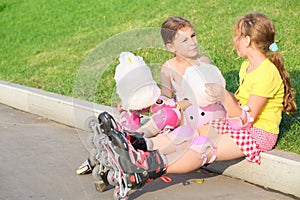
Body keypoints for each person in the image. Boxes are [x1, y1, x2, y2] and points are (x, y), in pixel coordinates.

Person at [102, 12, 297, 191]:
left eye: (237, 36)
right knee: (190, 132)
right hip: (237, 122)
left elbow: (248, 119)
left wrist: (224, 96)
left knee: (204, 147)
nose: (234, 40)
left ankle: (146, 167)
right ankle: (138, 144)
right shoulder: (247, 66)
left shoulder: (267, 73)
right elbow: (241, 103)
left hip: (258, 132)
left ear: (247, 40)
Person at [160, 16, 211, 108]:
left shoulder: (204, 62)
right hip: (185, 114)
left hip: (206, 112)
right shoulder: (168, 68)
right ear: (171, 47)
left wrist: (180, 106)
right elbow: (166, 98)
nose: (192, 42)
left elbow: (207, 95)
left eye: (193, 36)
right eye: (184, 40)